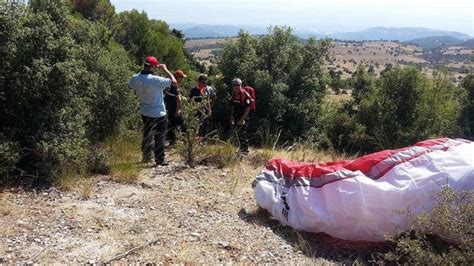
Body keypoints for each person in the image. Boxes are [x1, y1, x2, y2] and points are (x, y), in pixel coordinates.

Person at [128, 56, 176, 166]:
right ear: (153, 67)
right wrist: (165, 69)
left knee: (147, 134)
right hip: (158, 112)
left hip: (145, 111)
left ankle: (146, 156)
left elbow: (130, 87)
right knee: (159, 136)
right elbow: (174, 82)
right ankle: (160, 159)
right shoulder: (156, 80)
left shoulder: (135, 78)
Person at [164, 70, 187, 146]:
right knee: (181, 125)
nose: (182, 79)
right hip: (174, 109)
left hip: (170, 109)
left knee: (172, 125)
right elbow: (179, 99)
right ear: (178, 77)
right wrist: (178, 110)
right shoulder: (175, 86)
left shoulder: (169, 85)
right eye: (182, 77)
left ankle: (173, 141)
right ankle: (186, 141)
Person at [230, 78, 252, 155]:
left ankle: (245, 151)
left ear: (241, 85)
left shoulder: (245, 95)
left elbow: (248, 108)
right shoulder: (234, 94)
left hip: (244, 118)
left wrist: (242, 119)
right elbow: (233, 106)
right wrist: (232, 116)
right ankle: (242, 150)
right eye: (234, 85)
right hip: (236, 117)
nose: (236, 86)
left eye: (238, 85)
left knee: (242, 134)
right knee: (238, 134)